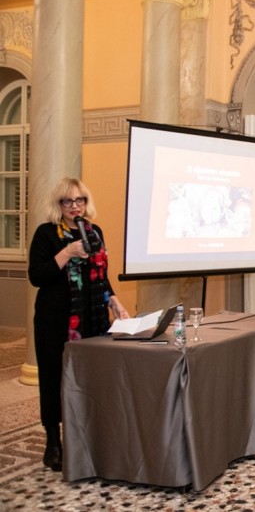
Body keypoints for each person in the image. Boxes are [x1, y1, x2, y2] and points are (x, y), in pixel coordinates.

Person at [28, 177, 129, 472]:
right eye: (68, 201)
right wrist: (66, 253)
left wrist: (114, 301)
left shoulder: (94, 232)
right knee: (53, 379)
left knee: (90, 379)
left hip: (92, 317)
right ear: (59, 205)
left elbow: (101, 275)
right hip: (55, 320)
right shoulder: (47, 233)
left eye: (79, 200)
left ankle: (86, 437)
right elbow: (37, 276)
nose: (75, 206)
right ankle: (53, 444)